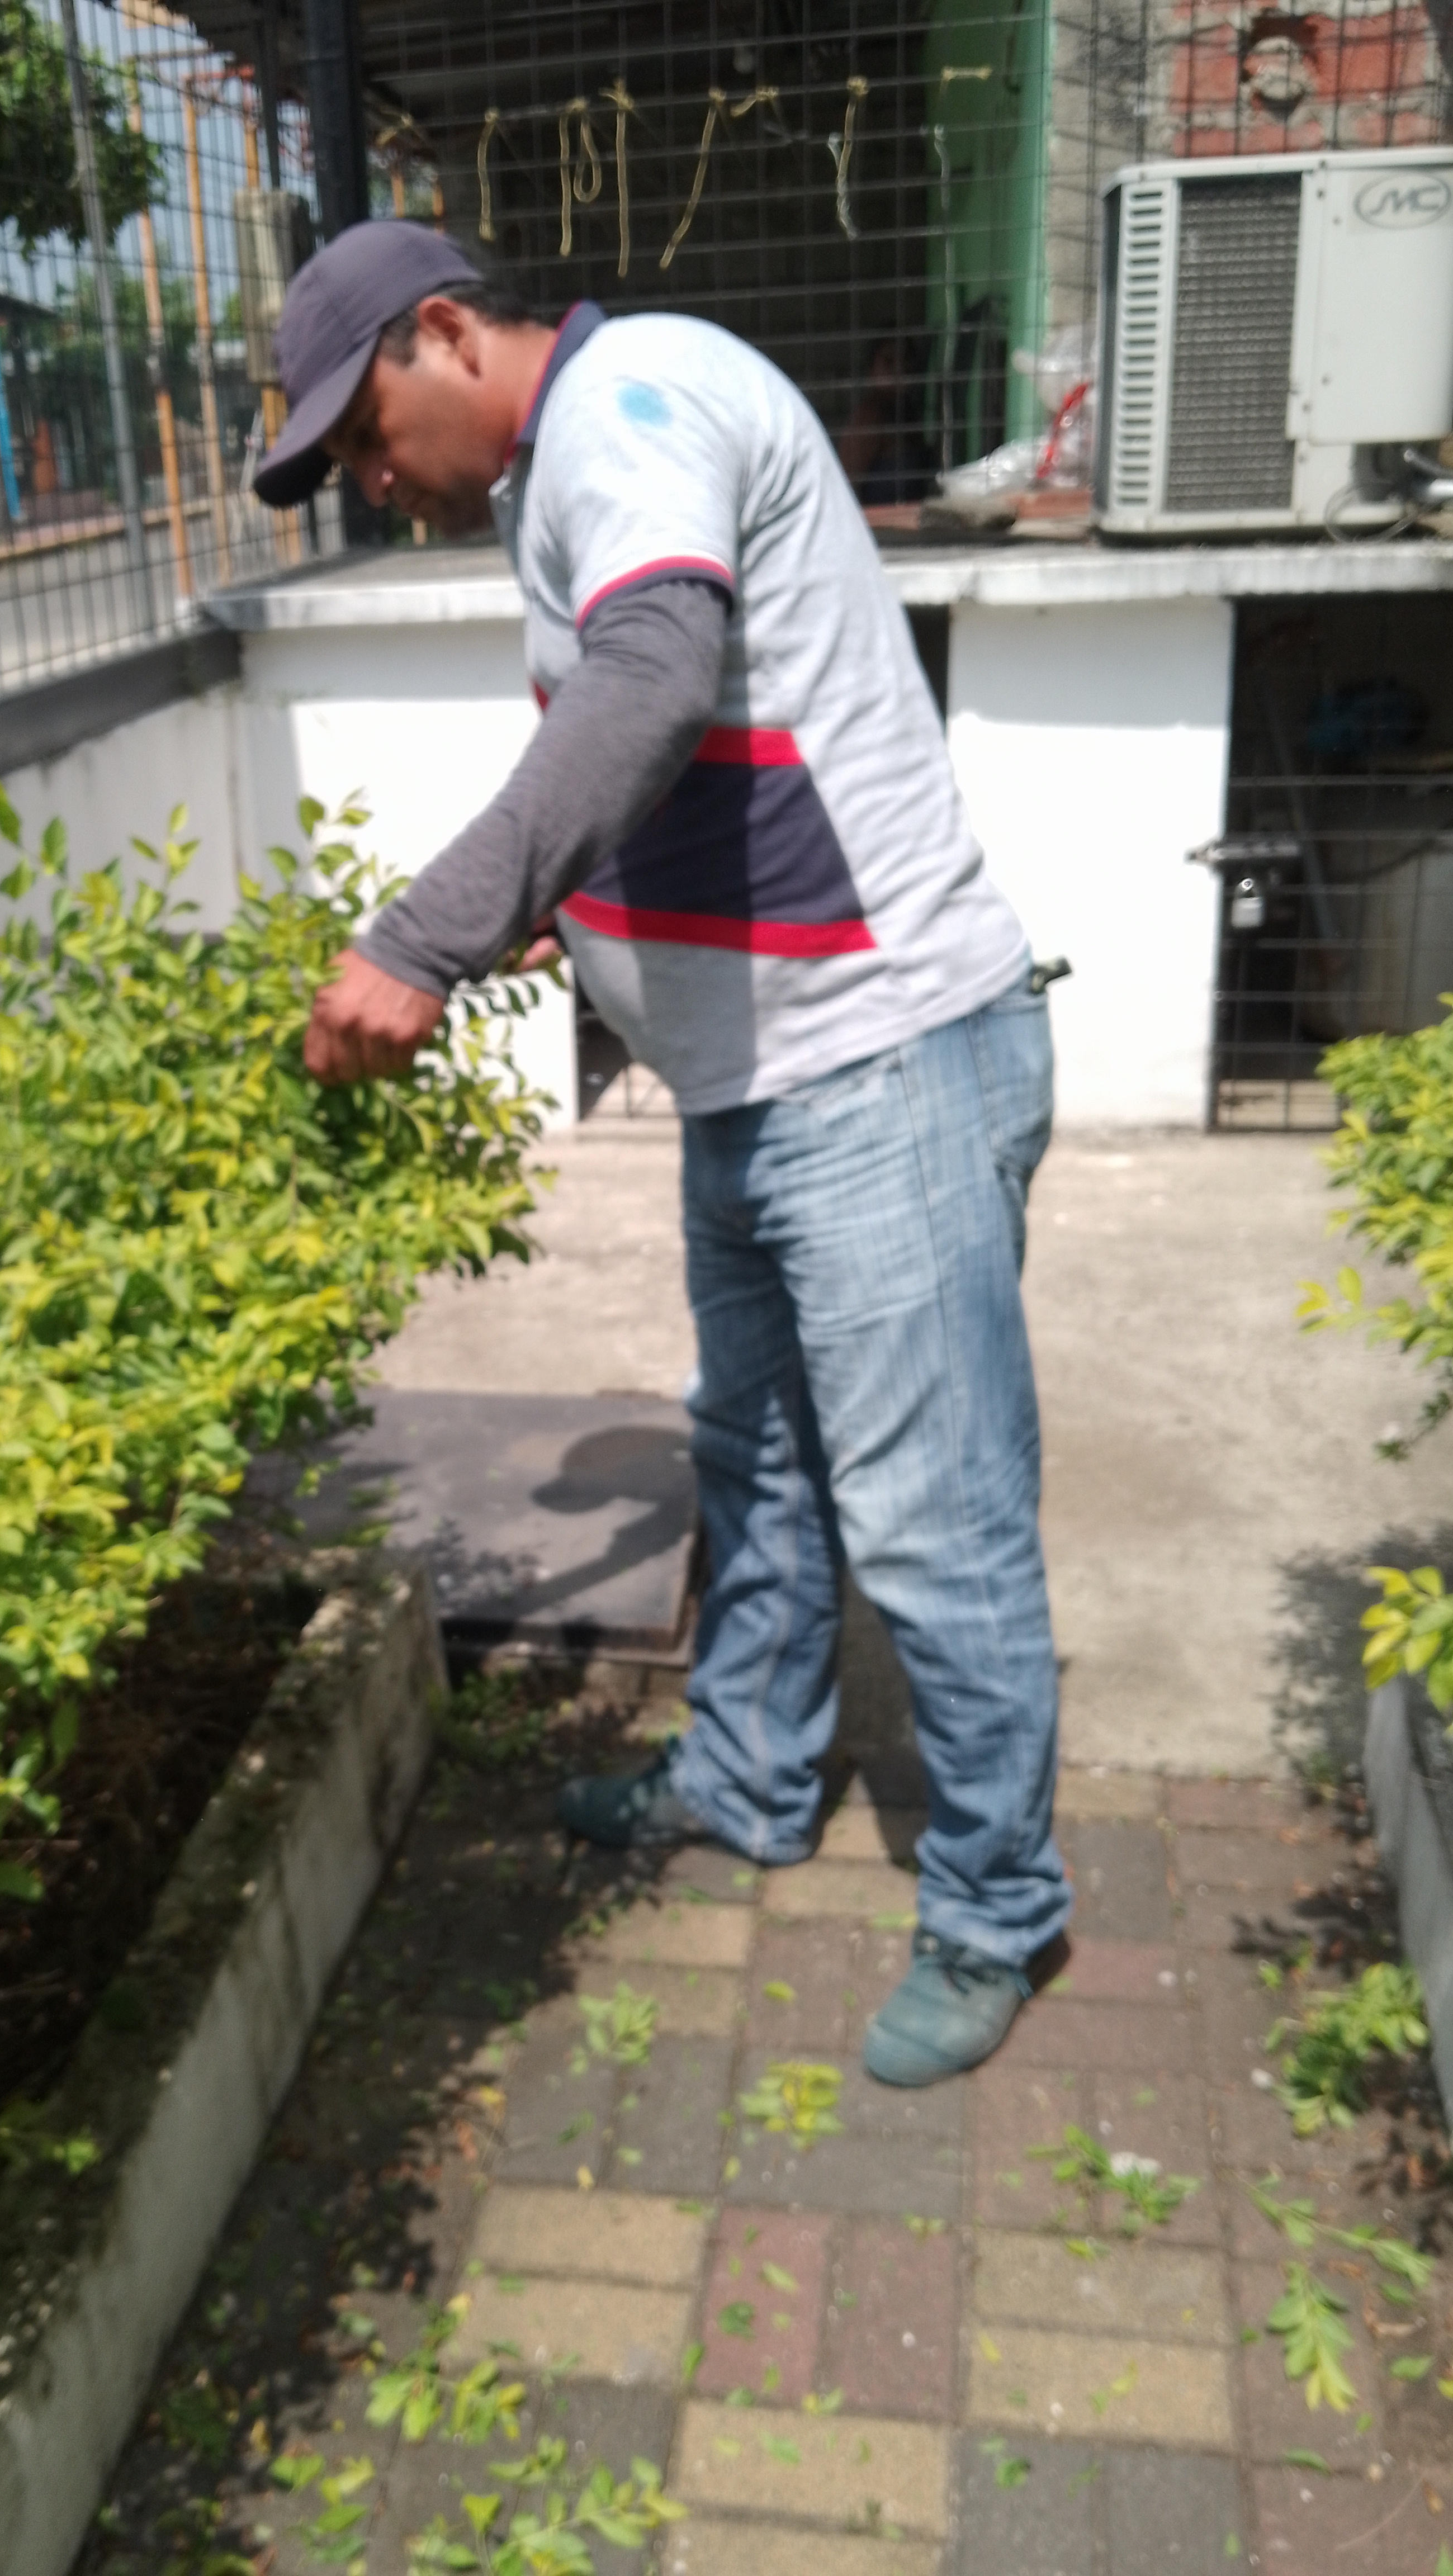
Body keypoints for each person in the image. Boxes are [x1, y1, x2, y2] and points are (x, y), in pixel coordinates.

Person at [253, 222, 1069, 2088]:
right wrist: (582, 907)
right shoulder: (575, 460)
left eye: (366, 435)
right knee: (757, 1463)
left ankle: (997, 1909)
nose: (371, 484)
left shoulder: (630, 401)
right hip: (757, 1082)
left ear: (447, 333)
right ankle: (750, 1779)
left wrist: (425, 934)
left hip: (881, 1068)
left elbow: (651, 686)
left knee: (933, 1524)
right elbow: (688, 754)